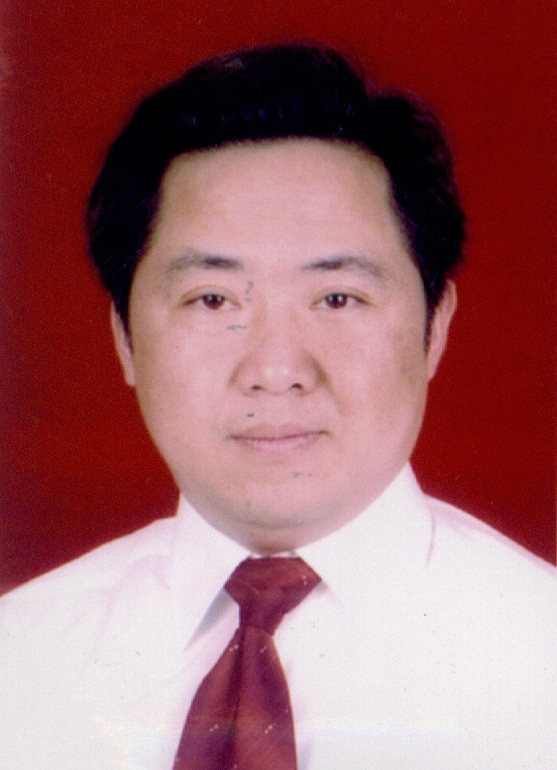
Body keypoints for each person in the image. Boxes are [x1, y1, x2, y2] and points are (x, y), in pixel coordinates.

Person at [0, 43, 554, 770]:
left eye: (337, 298)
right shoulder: (21, 661)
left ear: (435, 328)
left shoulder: (540, 660)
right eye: (212, 300)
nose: (276, 371)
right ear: (125, 339)